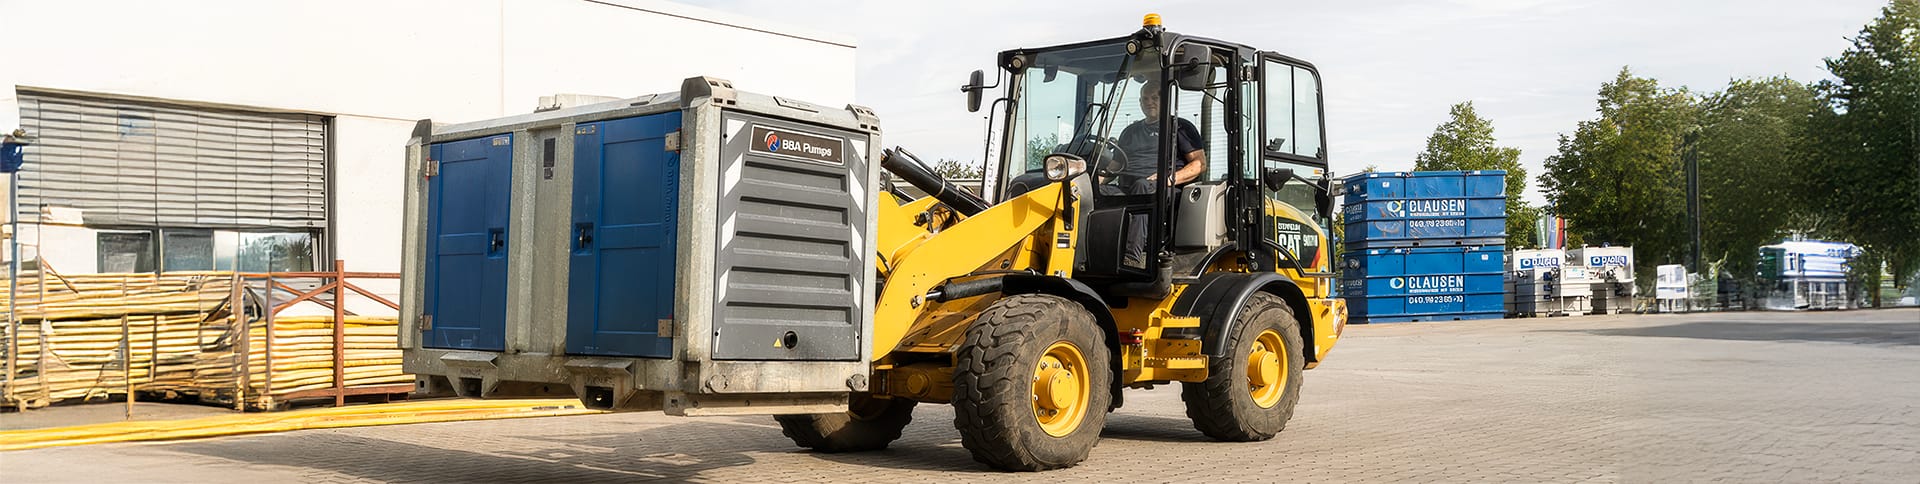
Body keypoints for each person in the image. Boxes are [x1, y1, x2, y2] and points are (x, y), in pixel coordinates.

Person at [1112, 80, 1206, 268]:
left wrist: (1168, 179)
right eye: (1145, 99)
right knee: (1100, 192)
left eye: (1154, 98)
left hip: (1166, 187)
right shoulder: (1130, 131)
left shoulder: (1180, 128)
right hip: (1129, 185)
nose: (1149, 102)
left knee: (1142, 186)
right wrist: (1091, 181)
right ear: (1139, 103)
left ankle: (1132, 257)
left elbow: (1199, 164)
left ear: (1165, 100)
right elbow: (1115, 166)